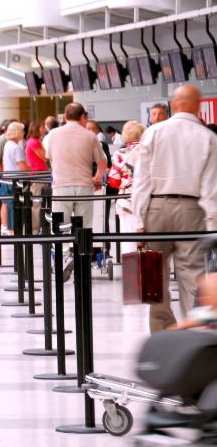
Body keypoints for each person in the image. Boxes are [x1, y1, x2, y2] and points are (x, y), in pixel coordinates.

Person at [132, 84, 217, 332]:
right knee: (192, 275)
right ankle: (195, 335)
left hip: (156, 207)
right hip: (193, 209)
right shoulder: (208, 137)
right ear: (198, 106)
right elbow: (211, 188)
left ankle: (161, 331)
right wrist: (212, 226)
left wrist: (138, 221)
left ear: (174, 105)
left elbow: (142, 180)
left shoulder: (154, 132)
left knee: (155, 274)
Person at [48, 103, 108, 281]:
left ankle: (63, 257)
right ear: (83, 116)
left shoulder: (53, 135)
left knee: (60, 226)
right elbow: (102, 163)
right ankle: (80, 261)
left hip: (61, 186)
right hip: (83, 186)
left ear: (65, 117)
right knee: (84, 227)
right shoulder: (90, 136)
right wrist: (97, 178)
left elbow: (51, 159)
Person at [107, 120, 144, 254]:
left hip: (126, 202)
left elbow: (113, 181)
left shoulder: (120, 154)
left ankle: (131, 272)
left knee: (129, 246)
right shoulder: (149, 151)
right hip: (148, 202)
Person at [0, 122, 30, 234]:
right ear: (17, 132)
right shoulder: (17, 148)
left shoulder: (7, 144)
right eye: (22, 131)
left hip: (7, 178)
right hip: (16, 181)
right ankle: (13, 230)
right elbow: (22, 166)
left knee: (7, 203)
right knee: (14, 206)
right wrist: (31, 169)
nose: (23, 133)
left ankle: (5, 227)